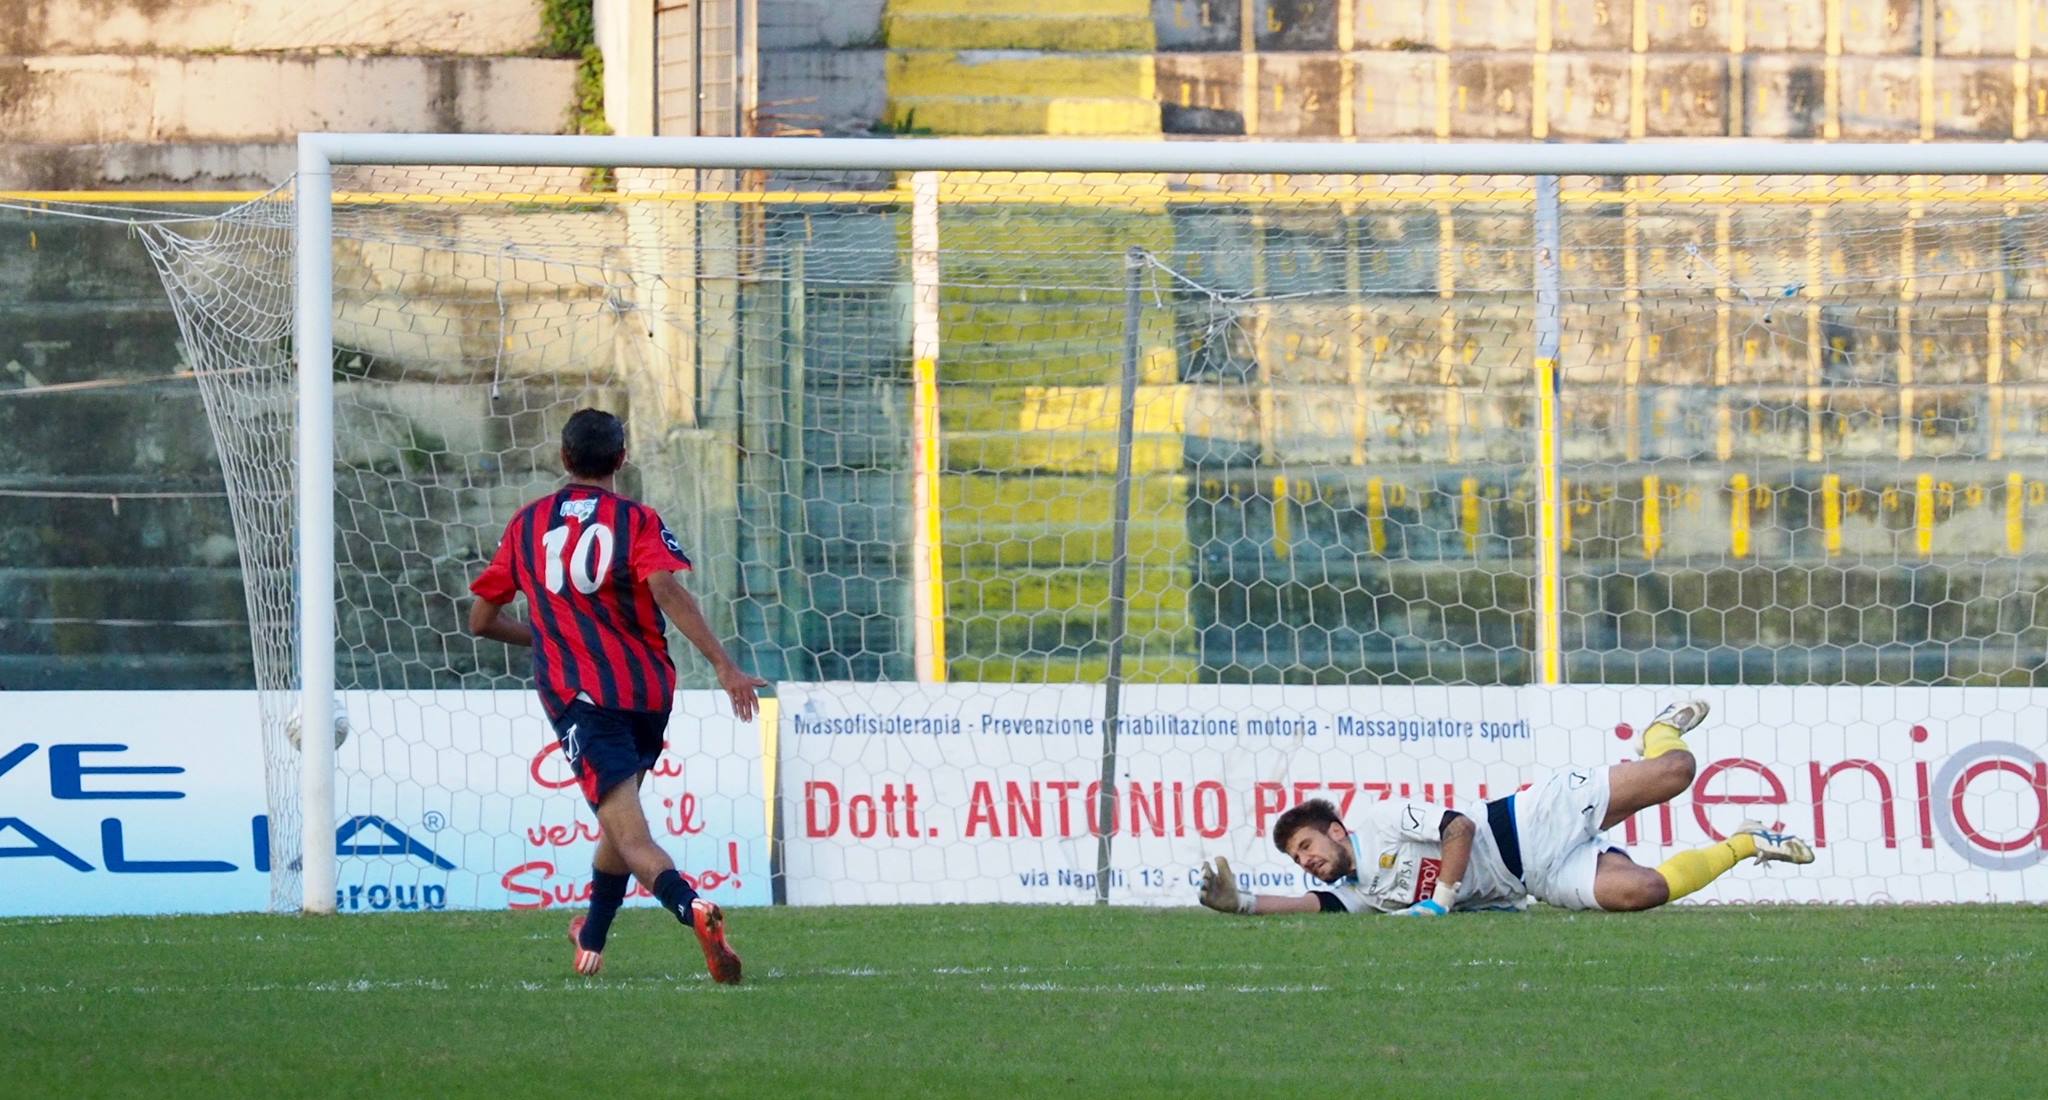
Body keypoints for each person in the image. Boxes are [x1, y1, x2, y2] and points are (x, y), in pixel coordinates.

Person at [468, 408, 766, 981]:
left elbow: (481, 619)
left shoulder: (527, 524)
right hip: (647, 694)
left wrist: (544, 633)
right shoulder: (637, 520)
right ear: (622, 459)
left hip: (583, 698)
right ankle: (593, 935)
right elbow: (666, 588)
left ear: (563, 458)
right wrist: (725, 667)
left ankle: (692, 907)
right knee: (617, 819)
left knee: (631, 836)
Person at [1198, 699, 1815, 917]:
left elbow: (1459, 828)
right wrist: (1241, 903)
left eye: (1307, 846)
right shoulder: (1364, 895)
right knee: (1644, 892)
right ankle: (1746, 841)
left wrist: (1439, 900)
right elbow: (1308, 907)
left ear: (1336, 831)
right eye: (1297, 857)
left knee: (1677, 771)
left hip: (1531, 819)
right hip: (1537, 878)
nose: (1307, 861)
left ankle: (1658, 728)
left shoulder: (1380, 820)